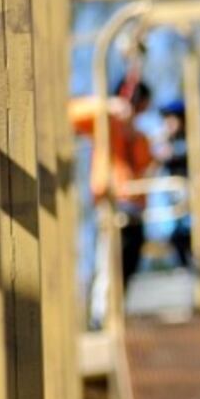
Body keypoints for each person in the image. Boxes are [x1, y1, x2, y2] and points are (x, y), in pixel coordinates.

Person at [70, 80, 154, 301]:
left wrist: (132, 135)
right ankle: (102, 313)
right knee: (108, 262)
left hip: (135, 209)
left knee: (129, 262)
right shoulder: (104, 123)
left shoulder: (140, 137)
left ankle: (118, 307)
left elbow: (145, 164)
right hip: (111, 204)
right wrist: (108, 105)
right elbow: (71, 113)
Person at [156, 99, 191, 267]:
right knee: (177, 239)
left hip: (189, 203)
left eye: (172, 118)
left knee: (188, 238)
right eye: (166, 119)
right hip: (174, 205)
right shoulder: (166, 142)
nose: (168, 123)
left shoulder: (189, 141)